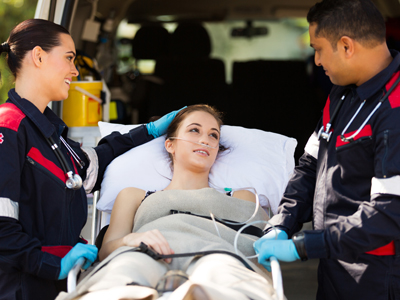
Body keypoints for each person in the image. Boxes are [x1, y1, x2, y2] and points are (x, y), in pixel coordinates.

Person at [0, 19, 182, 300]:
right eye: (69, 58)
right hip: (20, 289)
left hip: (58, 286)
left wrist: (147, 131)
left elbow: (91, 165)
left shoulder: (51, 134)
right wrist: (51, 261)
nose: (75, 70)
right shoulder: (8, 127)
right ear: (38, 56)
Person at [253, 0, 400, 299]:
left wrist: (304, 245)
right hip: (333, 267)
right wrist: (283, 221)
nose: (316, 60)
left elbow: (389, 212)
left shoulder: (395, 109)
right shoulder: (341, 93)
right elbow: (310, 166)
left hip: (377, 276)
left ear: (346, 46)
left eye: (318, 48)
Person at [56, 105, 275, 300]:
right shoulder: (134, 195)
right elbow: (105, 252)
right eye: (194, 130)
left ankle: (206, 293)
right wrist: (132, 239)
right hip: (145, 253)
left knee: (221, 270)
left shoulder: (243, 196)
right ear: (170, 145)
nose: (205, 140)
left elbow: (256, 248)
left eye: (213, 135)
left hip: (217, 252)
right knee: (125, 270)